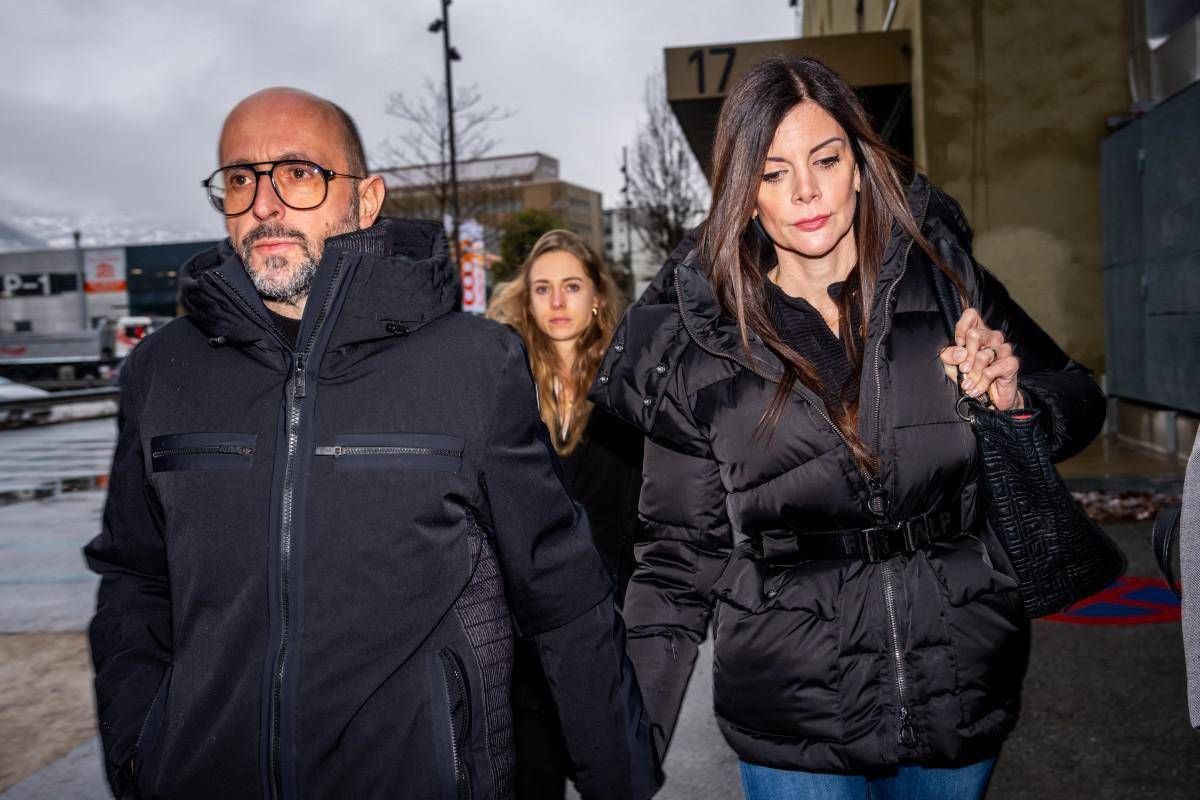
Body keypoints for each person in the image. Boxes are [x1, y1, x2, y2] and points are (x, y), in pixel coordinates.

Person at [83, 87, 656, 800]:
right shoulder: (162, 370)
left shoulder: (473, 365)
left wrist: (620, 780)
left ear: (367, 198)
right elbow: (135, 579)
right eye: (240, 179)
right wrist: (139, 753)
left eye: (299, 174)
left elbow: (562, 592)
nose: (265, 204)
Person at [591, 56, 1106, 800]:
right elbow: (677, 559)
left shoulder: (945, 280)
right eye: (772, 173)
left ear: (860, 167)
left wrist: (1015, 399)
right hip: (791, 712)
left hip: (958, 684)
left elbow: (1079, 396)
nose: (805, 191)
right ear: (743, 195)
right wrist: (629, 748)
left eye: (826, 160)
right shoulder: (702, 344)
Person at [487, 230, 644, 799]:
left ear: (597, 295)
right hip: (527, 633)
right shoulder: (502, 384)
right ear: (526, 300)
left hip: (611, 622)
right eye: (542, 288)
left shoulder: (630, 383)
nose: (557, 302)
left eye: (572, 286)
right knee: (533, 780)